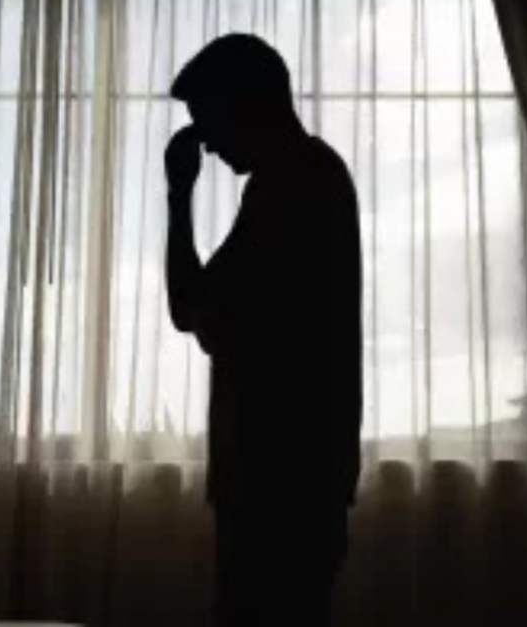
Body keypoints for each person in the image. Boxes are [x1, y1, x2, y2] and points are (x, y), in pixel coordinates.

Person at [164, 33, 363, 627]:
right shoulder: (303, 177)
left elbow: (193, 311)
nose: (209, 143)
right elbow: (200, 311)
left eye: (209, 120)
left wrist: (179, 197)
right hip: (293, 476)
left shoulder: (294, 184)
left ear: (244, 103)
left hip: (278, 481)